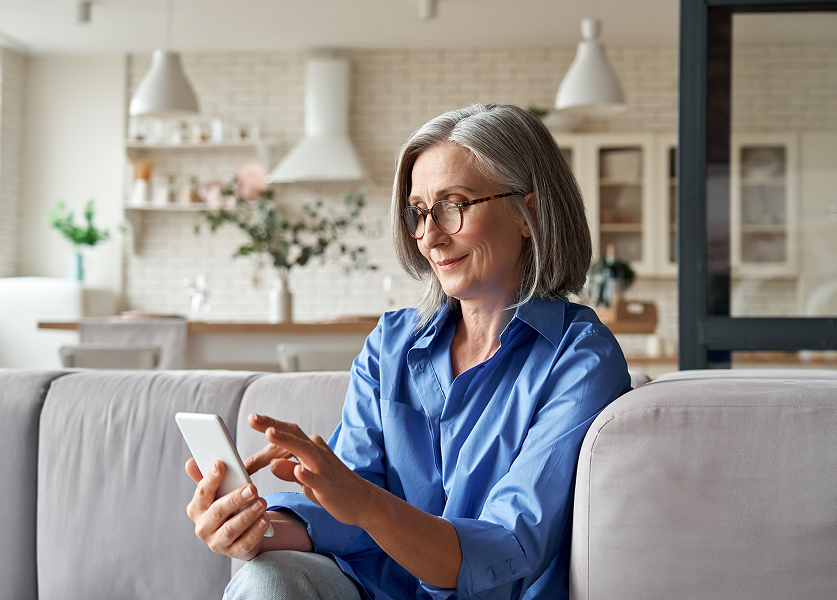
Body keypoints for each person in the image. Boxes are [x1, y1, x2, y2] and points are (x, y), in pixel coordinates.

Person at [185, 103, 631, 600]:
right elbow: (349, 511)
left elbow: (509, 548)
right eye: (419, 211)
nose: (428, 235)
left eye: (454, 204)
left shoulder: (580, 359)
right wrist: (256, 527)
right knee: (265, 577)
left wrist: (365, 503)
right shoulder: (391, 344)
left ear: (529, 213)